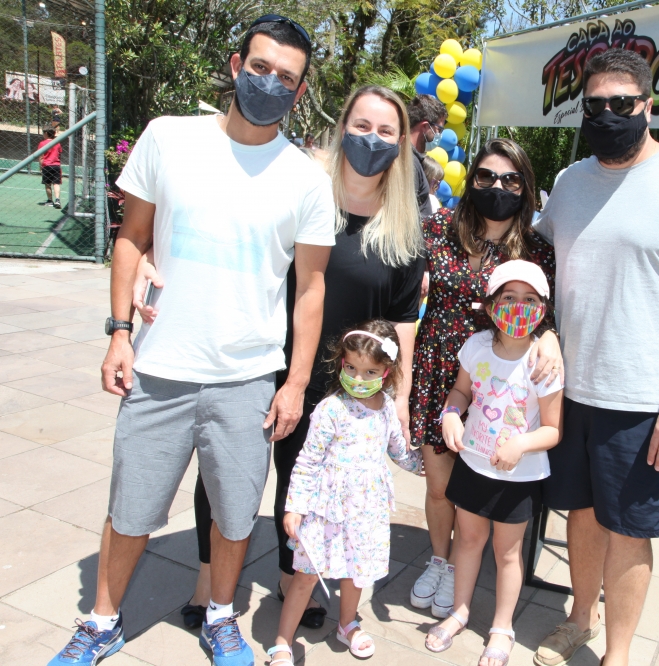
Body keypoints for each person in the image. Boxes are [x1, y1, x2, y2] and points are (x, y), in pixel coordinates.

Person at [49, 14, 337, 666]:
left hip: (247, 379)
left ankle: (220, 617)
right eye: (260, 68)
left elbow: (311, 290)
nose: (270, 83)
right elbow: (132, 238)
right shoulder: (168, 138)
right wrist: (119, 333)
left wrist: (295, 382)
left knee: (235, 516)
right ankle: (101, 622)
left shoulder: (306, 180)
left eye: (286, 78)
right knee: (130, 509)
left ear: (299, 92)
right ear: (237, 66)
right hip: (159, 368)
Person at [133, 83, 425, 636]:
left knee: (305, 484)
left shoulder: (405, 229)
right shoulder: (300, 190)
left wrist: (401, 396)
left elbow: (403, 321)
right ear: (342, 128)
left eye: (386, 131)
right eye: (361, 126)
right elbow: (221, 231)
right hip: (261, 363)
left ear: (401, 143)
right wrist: (146, 254)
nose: (372, 139)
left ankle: (297, 579)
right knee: (223, 477)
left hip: (342, 389)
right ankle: (206, 578)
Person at [531, 48, 659, 666]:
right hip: (569, 389)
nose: (606, 114)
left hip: (644, 398)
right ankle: (580, 618)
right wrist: (541, 328)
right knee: (581, 513)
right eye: (594, 104)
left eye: (621, 104)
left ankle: (618, 654)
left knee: (628, 528)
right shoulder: (570, 182)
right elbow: (541, 270)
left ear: (649, 106)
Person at [409, 137, 563, 620]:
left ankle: (466, 560)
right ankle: (441, 561)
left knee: (479, 482)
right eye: (486, 176)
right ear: (472, 178)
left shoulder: (537, 250)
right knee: (440, 487)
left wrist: (551, 336)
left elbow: (548, 309)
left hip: (501, 378)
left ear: (525, 188)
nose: (497, 187)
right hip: (441, 371)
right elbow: (402, 295)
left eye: (511, 180)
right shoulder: (436, 230)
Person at [425, 260, 563, 666]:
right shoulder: (476, 346)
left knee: (507, 553)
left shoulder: (545, 362)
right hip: (473, 464)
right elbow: (461, 392)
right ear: (490, 305)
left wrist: (521, 444)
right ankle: (459, 612)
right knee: (467, 540)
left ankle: (502, 627)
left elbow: (553, 429)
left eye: (530, 299)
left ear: (543, 308)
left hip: (519, 477)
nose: (519, 306)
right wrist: (451, 413)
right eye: (509, 297)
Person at [268, 321, 423, 665]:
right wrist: (294, 507)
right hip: (326, 508)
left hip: (366, 508)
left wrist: (423, 464)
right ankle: (282, 641)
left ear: (387, 371)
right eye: (351, 368)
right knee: (306, 575)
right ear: (341, 362)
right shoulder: (331, 409)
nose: (358, 378)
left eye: (370, 372)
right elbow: (307, 461)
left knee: (357, 570)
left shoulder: (386, 407)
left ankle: (347, 623)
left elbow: (398, 450)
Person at [406, 94, 447, 218]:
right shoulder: (408, 162)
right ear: (424, 126)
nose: (439, 135)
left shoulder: (413, 159)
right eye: (439, 129)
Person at [37, 128, 62, 209]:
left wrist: (41, 167)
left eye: (43, 133)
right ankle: (57, 200)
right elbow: (59, 154)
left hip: (46, 166)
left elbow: (41, 157)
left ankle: (50, 201)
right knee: (56, 183)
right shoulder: (57, 143)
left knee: (47, 184)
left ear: (46, 133)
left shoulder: (42, 143)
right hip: (56, 166)